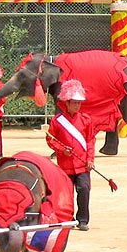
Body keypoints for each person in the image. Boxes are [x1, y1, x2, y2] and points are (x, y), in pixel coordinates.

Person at [46, 79, 96, 231]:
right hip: (65, 164)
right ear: (66, 103)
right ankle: (68, 218)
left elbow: (90, 141)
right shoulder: (57, 121)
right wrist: (62, 150)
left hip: (82, 165)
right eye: (74, 102)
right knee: (65, 194)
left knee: (83, 190)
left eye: (79, 103)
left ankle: (83, 220)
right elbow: (50, 139)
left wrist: (90, 159)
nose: (77, 105)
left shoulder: (86, 120)